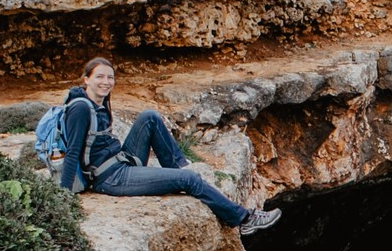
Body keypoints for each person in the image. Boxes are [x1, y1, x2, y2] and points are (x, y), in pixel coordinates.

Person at [59, 57, 281, 235]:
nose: (106, 82)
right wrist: (63, 197)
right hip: (110, 178)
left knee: (149, 117)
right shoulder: (80, 108)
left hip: (119, 160)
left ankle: (177, 170)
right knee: (191, 180)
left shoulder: (99, 102)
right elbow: (72, 153)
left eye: (110, 77)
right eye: (99, 77)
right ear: (85, 79)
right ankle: (245, 219)